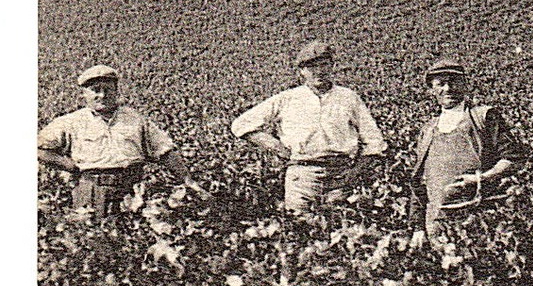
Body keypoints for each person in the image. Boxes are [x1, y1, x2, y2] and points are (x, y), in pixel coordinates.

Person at [230, 40, 387, 213]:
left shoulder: (348, 98)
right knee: (299, 226)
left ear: (332, 66)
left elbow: (374, 141)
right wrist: (275, 146)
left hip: (342, 174)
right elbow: (241, 124)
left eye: (324, 65)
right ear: (302, 71)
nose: (319, 72)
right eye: (312, 67)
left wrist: (354, 173)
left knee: (343, 229)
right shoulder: (288, 99)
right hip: (302, 176)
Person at [37, 64, 199, 217]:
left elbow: (165, 151)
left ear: (116, 91)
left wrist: (188, 181)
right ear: (84, 94)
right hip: (91, 191)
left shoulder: (136, 119)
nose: (102, 95)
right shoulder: (70, 122)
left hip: (133, 190)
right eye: (95, 90)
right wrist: (68, 166)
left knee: (136, 238)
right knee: (92, 238)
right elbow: (39, 148)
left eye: (107, 89)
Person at [408, 58, 530, 238]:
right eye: (441, 84)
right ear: (432, 90)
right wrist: (418, 227)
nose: (448, 89)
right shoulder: (427, 130)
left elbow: (513, 159)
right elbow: (419, 182)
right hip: (438, 225)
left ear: (465, 85)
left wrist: (479, 179)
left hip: (480, 220)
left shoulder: (484, 117)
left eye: (453, 82)